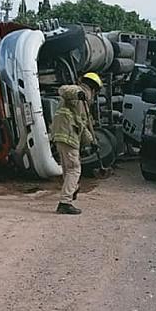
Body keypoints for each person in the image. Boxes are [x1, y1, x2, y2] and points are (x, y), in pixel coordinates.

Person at [50, 72, 103, 215]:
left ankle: (72, 188)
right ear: (94, 89)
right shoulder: (78, 92)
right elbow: (63, 90)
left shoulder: (83, 103)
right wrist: (78, 92)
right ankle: (65, 203)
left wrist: (92, 142)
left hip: (63, 135)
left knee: (68, 169)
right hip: (67, 134)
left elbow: (82, 125)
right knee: (74, 169)